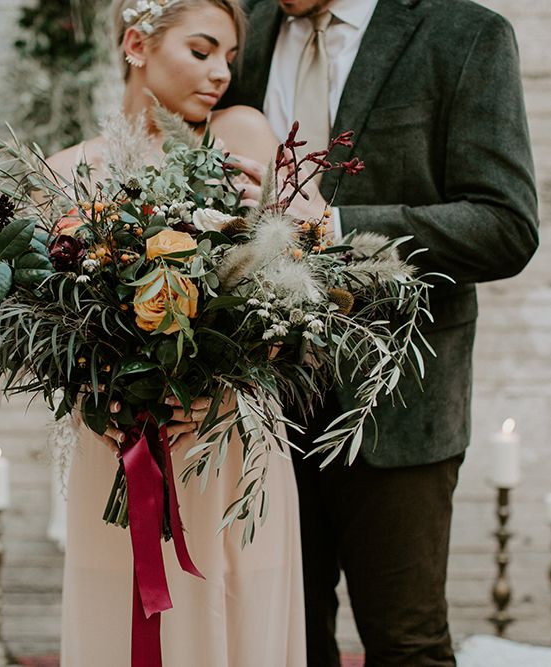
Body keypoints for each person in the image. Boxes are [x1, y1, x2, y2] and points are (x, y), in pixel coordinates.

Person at [219, 0, 539, 664]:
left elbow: (504, 224)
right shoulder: (241, 35)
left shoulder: (465, 35)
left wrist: (336, 230)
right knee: (282, 645)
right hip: (257, 411)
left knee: (405, 644)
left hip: (397, 410)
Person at [47, 0, 307, 664]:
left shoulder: (241, 135)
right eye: (201, 51)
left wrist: (224, 370)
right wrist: (92, 392)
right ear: (136, 43)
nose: (219, 72)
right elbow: (48, 331)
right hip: (114, 446)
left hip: (224, 438)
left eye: (228, 57)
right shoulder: (64, 171)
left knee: (237, 621)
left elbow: (293, 292)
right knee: (117, 624)